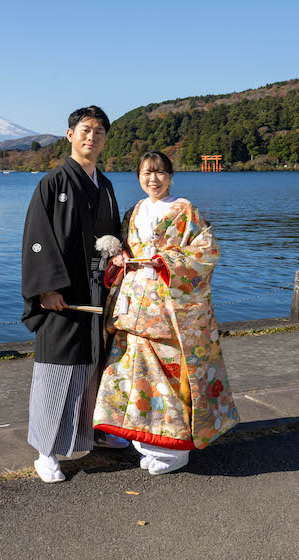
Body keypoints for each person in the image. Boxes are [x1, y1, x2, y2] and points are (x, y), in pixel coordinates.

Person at [93, 151, 239, 474]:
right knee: (135, 376)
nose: (153, 179)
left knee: (169, 376)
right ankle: (147, 445)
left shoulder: (184, 210)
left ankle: (174, 452)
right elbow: (127, 249)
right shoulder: (133, 213)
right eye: (146, 173)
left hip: (168, 305)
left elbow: (207, 251)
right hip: (134, 304)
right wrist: (120, 259)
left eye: (159, 173)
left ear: (171, 177)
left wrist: (168, 262)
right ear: (138, 178)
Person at [21, 106, 127, 483]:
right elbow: (37, 239)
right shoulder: (52, 183)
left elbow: (115, 237)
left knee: (93, 365)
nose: (92, 138)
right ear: (70, 135)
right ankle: (45, 450)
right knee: (58, 367)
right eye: (85, 130)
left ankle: (94, 433)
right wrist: (45, 288)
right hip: (63, 294)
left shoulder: (106, 185)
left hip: (97, 289)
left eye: (99, 132)